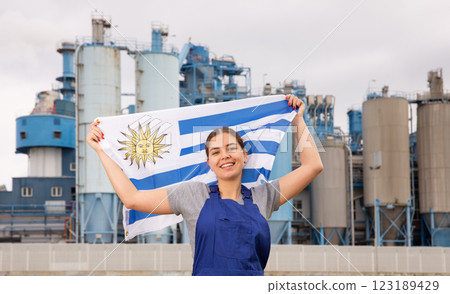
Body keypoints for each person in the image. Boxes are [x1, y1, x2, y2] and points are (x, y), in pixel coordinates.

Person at [87, 94, 323, 276]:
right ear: (209, 162)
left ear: (244, 155)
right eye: (216, 152)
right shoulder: (192, 194)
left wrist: (299, 119)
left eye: (231, 148)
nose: (225, 156)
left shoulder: (264, 196)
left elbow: (313, 166)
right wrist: (101, 151)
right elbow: (132, 198)